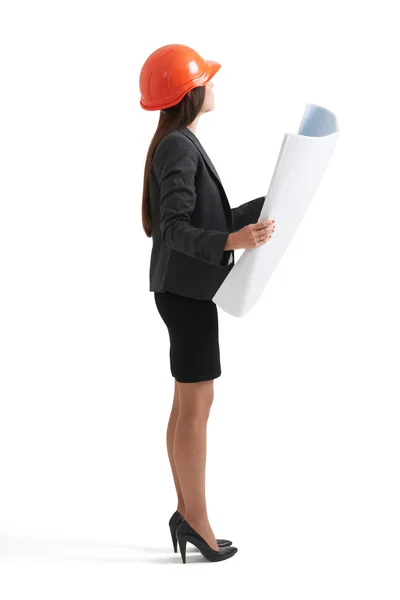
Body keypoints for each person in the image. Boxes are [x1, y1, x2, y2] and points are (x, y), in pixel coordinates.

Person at [139, 44, 275, 563]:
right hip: (186, 293)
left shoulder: (178, 142)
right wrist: (233, 242)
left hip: (182, 291)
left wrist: (264, 208)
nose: (213, 85)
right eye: (207, 80)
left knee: (186, 406)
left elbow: (203, 222)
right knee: (197, 407)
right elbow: (175, 230)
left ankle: (185, 510)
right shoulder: (178, 146)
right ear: (190, 92)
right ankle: (196, 520)